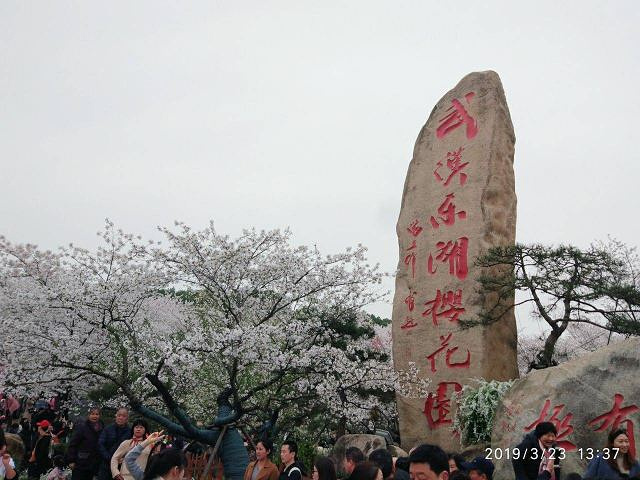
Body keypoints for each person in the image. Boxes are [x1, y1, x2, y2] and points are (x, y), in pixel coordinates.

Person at [66, 407, 105, 480]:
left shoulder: (102, 428)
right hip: (80, 462)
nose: (95, 416)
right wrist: (71, 460)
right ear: (88, 415)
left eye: (97, 414)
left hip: (94, 464)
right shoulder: (82, 427)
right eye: (92, 414)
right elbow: (73, 444)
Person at [98, 409, 130, 480]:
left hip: (121, 466)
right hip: (106, 464)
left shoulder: (130, 432)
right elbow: (100, 444)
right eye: (119, 415)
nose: (120, 418)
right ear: (116, 416)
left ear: (127, 418)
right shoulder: (108, 429)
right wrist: (110, 458)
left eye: (123, 416)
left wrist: (123, 459)